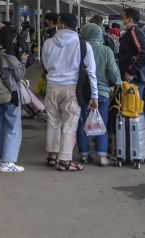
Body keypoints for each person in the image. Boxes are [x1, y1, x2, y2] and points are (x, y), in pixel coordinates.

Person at [42, 13, 98, 172]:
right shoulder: (83, 45)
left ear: (61, 25)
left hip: (52, 86)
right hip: (73, 89)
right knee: (69, 125)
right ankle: (65, 160)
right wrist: (94, 95)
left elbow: (46, 66)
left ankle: (52, 156)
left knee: (53, 122)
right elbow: (91, 73)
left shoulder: (47, 43)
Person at [77, 24, 121, 167]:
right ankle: (102, 157)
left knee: (82, 123)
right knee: (101, 122)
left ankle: (84, 155)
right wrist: (117, 82)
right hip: (101, 93)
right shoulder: (106, 50)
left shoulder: (79, 48)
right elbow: (114, 73)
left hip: (81, 92)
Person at [0, 25, 28, 172]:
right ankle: (8, 161)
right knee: (12, 128)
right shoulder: (10, 57)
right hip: (10, 95)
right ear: (11, 39)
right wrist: (22, 61)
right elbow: (19, 76)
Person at [118, 8, 145, 97]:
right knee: (138, 107)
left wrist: (131, 71)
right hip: (133, 77)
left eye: (122, 18)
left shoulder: (134, 31)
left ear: (129, 19)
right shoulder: (131, 32)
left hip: (134, 78)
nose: (121, 20)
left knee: (132, 108)